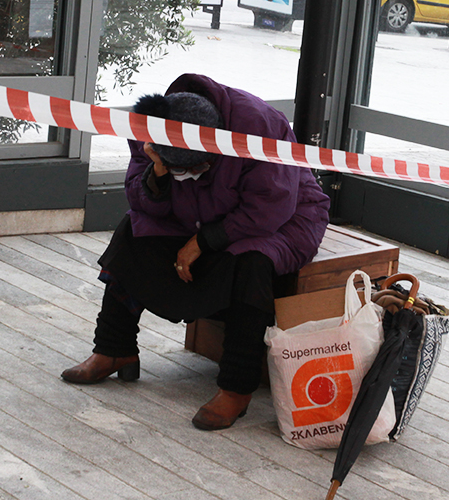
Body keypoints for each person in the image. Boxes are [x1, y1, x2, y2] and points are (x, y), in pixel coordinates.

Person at [61, 73, 331, 431]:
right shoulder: (152, 126)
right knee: (133, 231)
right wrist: (156, 179)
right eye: (181, 170)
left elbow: (269, 208)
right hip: (195, 211)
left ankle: (236, 387)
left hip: (284, 216)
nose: (191, 173)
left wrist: (203, 242)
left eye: (197, 167)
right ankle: (114, 347)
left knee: (252, 263)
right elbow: (140, 201)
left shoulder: (259, 126)